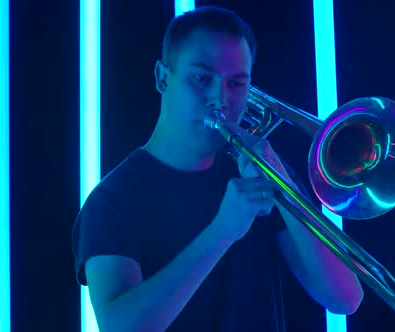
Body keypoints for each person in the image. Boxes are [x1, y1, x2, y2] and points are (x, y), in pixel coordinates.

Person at [72, 6, 363, 332]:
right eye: (201, 78)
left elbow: (345, 298)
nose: (220, 99)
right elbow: (120, 328)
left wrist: (281, 180)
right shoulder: (113, 201)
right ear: (163, 78)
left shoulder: (260, 175)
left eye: (237, 83)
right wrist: (223, 230)